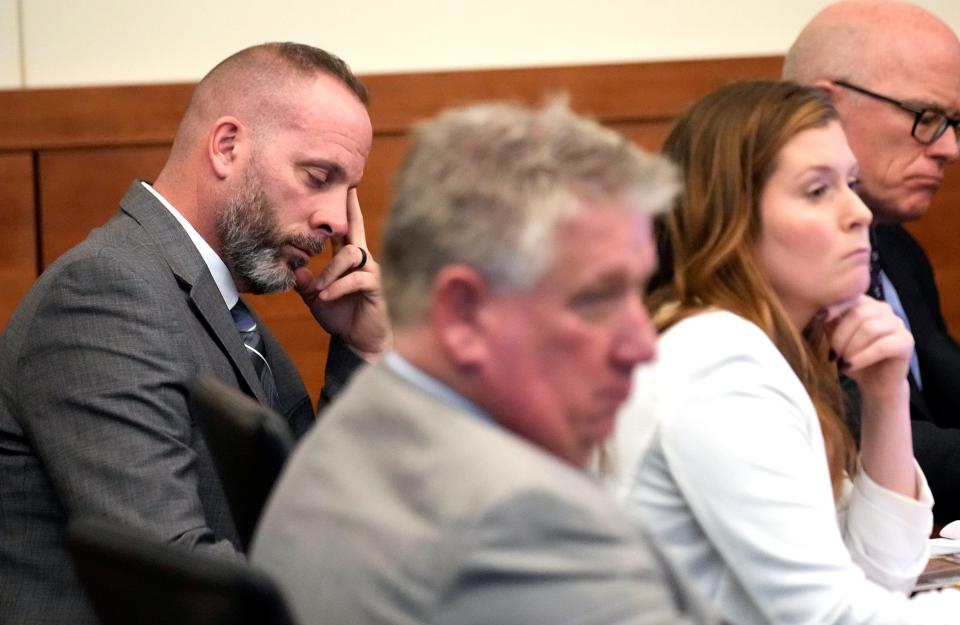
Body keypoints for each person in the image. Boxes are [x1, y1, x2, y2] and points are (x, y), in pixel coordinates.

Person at [251, 100, 713, 625]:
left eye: (638, 292)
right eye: (597, 299)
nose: (642, 345)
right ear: (464, 313)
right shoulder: (526, 521)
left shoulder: (357, 426)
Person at [0, 42, 388, 625]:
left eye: (347, 190)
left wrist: (365, 349)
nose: (336, 219)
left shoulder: (229, 313)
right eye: (318, 177)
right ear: (227, 146)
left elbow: (317, 516)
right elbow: (174, 578)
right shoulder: (103, 292)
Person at [610, 80, 960, 625]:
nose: (859, 213)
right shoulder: (715, 356)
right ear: (731, 218)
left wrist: (885, 392)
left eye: (851, 183)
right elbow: (829, 618)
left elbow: (878, 577)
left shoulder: (776, 348)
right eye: (817, 191)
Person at [782, 0, 960, 523]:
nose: (949, 147)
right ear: (821, 105)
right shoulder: (756, 262)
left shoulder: (894, 245)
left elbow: (943, 379)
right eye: (927, 118)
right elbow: (852, 437)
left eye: (955, 122)